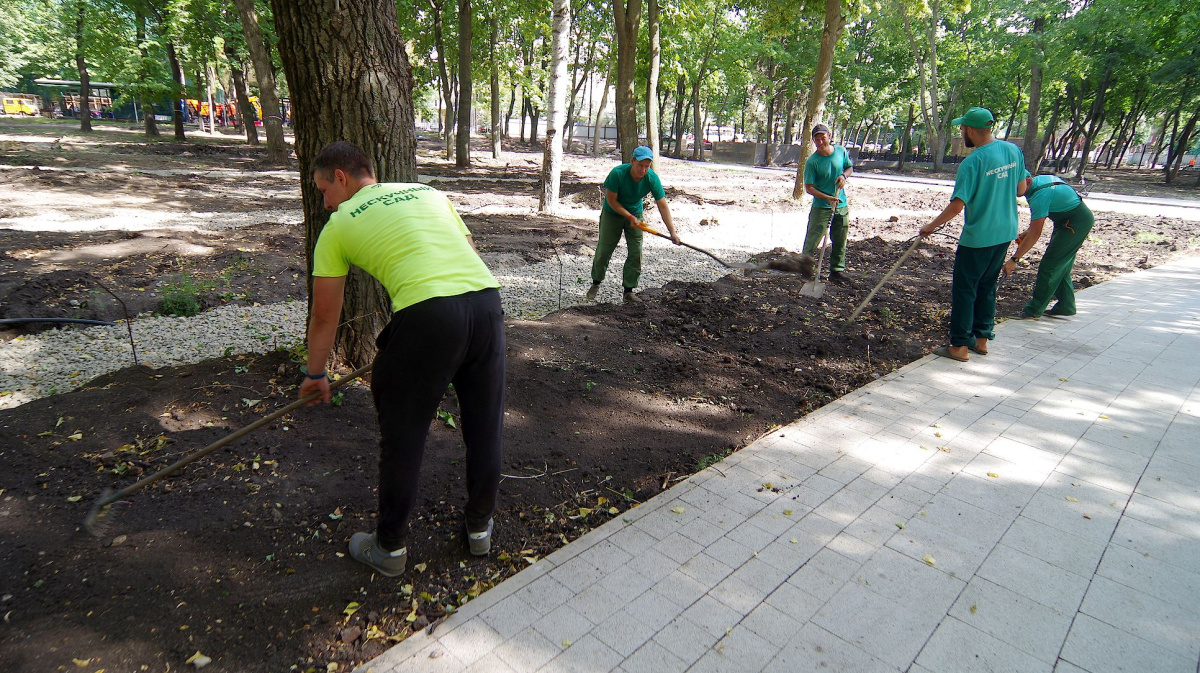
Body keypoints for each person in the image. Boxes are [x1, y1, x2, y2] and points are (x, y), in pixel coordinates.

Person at [299, 141, 506, 577]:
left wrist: (316, 373)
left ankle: (390, 548)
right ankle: (480, 529)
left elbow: (323, 315)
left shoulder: (337, 226)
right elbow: (466, 249)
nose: (324, 202)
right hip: (486, 304)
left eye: (322, 190)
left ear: (341, 177)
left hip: (430, 315)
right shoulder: (428, 193)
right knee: (485, 425)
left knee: (404, 436)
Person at [919, 107, 1026, 362]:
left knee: (965, 290)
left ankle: (959, 347)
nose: (961, 132)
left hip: (979, 237)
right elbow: (1021, 189)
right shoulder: (1013, 150)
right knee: (988, 286)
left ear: (968, 129)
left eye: (961, 128)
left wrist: (930, 227)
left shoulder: (972, 162)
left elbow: (958, 205)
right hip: (1005, 231)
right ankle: (982, 340)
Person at [585, 145, 680, 304]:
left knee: (636, 252)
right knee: (604, 249)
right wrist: (628, 216)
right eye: (640, 165)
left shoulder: (651, 178)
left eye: (647, 166)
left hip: (635, 214)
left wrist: (672, 232)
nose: (643, 170)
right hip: (612, 213)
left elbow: (662, 204)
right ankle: (596, 282)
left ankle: (628, 291)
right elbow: (612, 201)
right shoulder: (617, 174)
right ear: (632, 161)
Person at [1004, 173, 1093, 318]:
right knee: (1060, 264)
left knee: (1050, 265)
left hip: (1076, 223)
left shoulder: (1040, 195)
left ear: (1027, 181)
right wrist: (1028, 231)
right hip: (1066, 222)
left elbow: (1035, 234)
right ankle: (1066, 306)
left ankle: (1033, 310)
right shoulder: (1037, 183)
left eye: (1016, 186)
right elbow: (1035, 227)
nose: (1014, 191)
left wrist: (1014, 259)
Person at [802, 124, 854, 282]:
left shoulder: (841, 151)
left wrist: (844, 176)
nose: (820, 142)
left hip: (841, 204)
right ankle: (806, 272)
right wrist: (827, 197)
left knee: (839, 238)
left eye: (822, 138)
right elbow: (809, 188)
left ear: (829, 136)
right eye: (816, 140)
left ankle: (836, 271)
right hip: (821, 207)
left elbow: (849, 168)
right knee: (813, 240)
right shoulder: (812, 162)